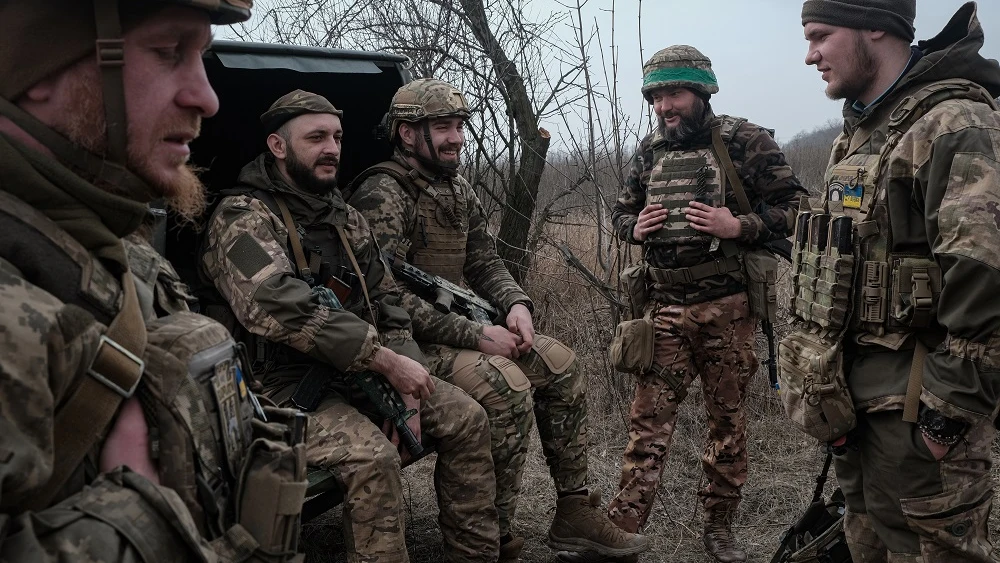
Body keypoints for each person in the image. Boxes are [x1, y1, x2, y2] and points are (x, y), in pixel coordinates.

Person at [0, 0, 313, 561]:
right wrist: (139, 521)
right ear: (38, 68)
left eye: (202, 57)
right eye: (169, 52)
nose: (208, 97)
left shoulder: (117, 248)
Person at [347, 78, 649, 562]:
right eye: (442, 127)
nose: (456, 138)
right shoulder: (383, 194)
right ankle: (494, 534)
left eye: (459, 126)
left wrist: (516, 305)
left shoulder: (456, 186)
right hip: (404, 343)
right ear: (406, 133)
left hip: (457, 331)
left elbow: (485, 261)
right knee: (504, 385)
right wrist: (477, 335)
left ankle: (573, 511)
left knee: (561, 364)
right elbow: (385, 297)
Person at [199, 89, 500, 563]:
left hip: (354, 372)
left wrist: (408, 380)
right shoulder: (239, 220)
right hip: (277, 389)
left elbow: (386, 302)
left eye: (337, 137)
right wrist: (384, 360)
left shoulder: (344, 218)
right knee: (373, 459)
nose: (332, 148)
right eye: (316, 137)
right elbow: (275, 304)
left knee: (466, 418)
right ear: (278, 147)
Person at [797, 1, 1000, 560]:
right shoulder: (866, 131)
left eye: (820, 35)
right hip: (859, 411)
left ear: (876, 27)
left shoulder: (954, 123)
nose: (810, 54)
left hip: (919, 420)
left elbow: (986, 280)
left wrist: (942, 423)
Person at [599, 45, 806, 563]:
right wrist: (634, 227)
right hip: (664, 311)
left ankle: (718, 529)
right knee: (646, 426)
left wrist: (740, 226)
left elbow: (799, 210)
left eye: (674, 93)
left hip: (728, 311)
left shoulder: (745, 141)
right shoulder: (649, 151)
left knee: (727, 425)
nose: (665, 106)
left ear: (702, 91)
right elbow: (621, 214)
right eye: (656, 96)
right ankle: (622, 531)